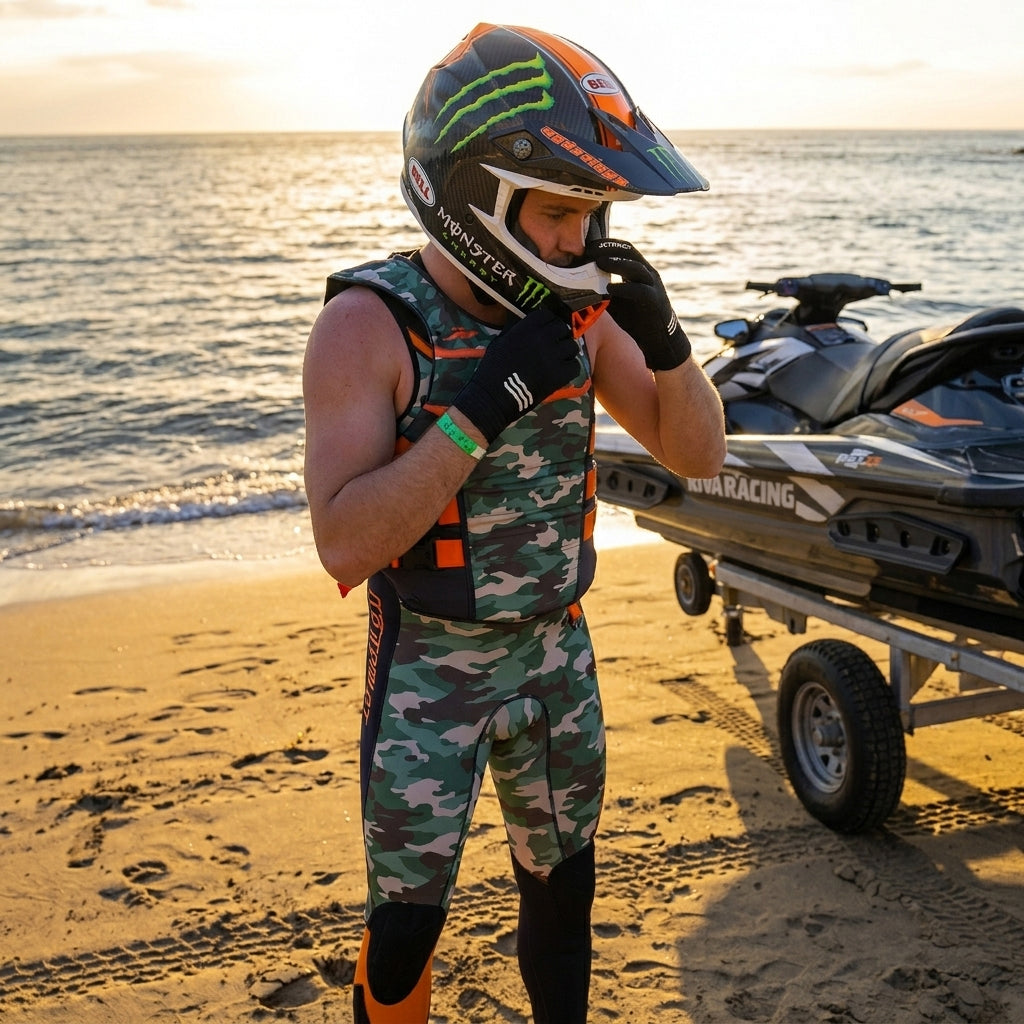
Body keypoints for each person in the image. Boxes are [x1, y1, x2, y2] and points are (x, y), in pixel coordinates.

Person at [302, 23, 727, 1023]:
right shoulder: (371, 325)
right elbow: (345, 541)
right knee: (406, 923)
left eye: (594, 215)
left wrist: (665, 341)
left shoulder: (581, 317)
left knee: (563, 889)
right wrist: (482, 407)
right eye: (557, 214)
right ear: (472, 198)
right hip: (429, 669)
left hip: (555, 653)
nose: (579, 242)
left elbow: (696, 453)